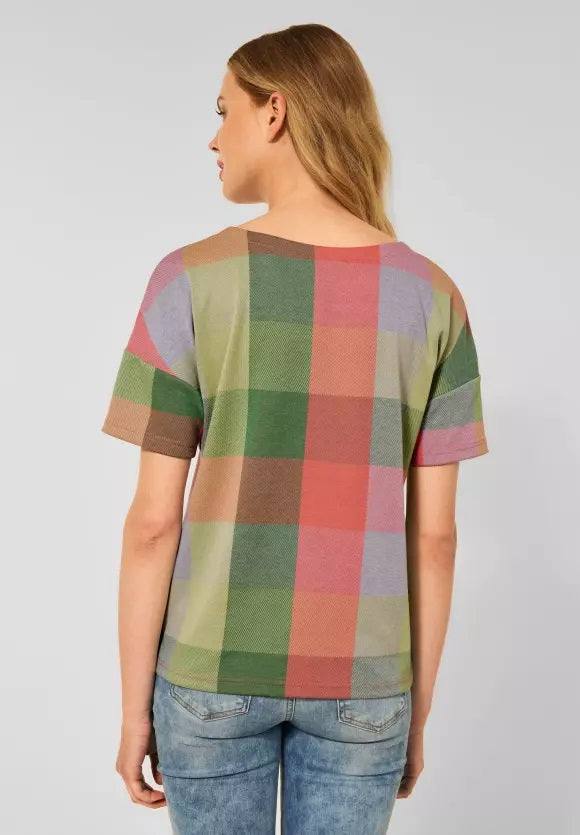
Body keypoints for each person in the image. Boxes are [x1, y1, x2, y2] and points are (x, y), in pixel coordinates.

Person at [101, 22, 490, 835]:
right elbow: (436, 537)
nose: (214, 138)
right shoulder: (434, 298)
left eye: (224, 110)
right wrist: (414, 710)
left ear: (274, 111)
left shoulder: (188, 279)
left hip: (210, 673)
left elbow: (152, 523)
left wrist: (136, 707)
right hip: (365, 684)